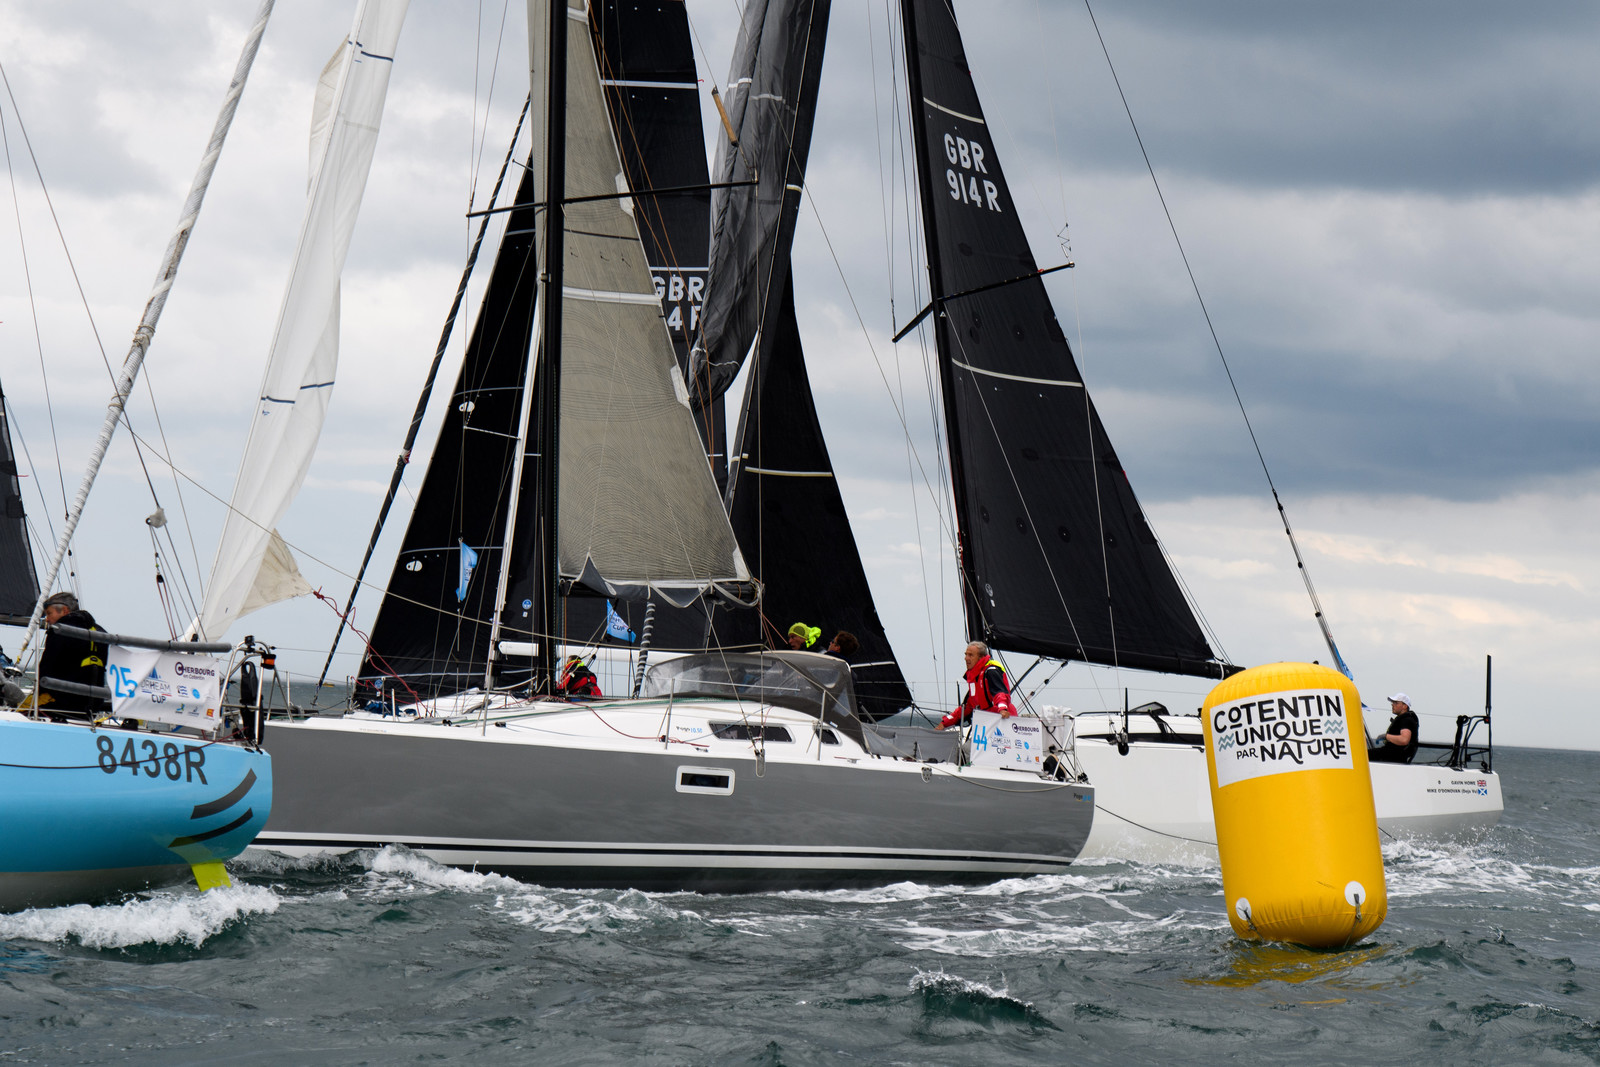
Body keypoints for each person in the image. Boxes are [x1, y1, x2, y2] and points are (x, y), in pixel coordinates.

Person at [31, 591, 109, 718]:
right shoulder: (100, 632)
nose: (47, 619)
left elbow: (46, 668)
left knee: (18, 709)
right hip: (92, 708)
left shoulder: (59, 630)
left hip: (60, 704)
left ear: (64, 611)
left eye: (49, 613)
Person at [937, 641, 1015, 730]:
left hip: (1003, 720)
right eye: (966, 654)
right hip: (987, 722)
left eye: (970, 655)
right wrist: (944, 723)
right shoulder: (974, 678)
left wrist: (1003, 709)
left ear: (981, 657)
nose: (966, 658)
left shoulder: (991, 671)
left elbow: (999, 693)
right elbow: (968, 706)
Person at [1369, 692, 1419, 764]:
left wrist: (1386, 736)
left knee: (1363, 755)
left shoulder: (1406, 720)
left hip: (1395, 757)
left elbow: (1404, 740)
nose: (1392, 704)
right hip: (1392, 754)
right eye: (1392, 703)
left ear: (1405, 706)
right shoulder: (1404, 719)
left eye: (1396, 703)